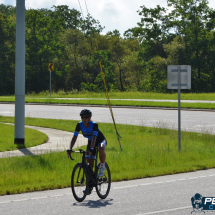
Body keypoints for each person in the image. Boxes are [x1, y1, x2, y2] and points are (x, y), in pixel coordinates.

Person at [68, 109, 107, 177]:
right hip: (91, 141)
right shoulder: (79, 125)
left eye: (86, 117)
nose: (84, 119)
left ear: (89, 118)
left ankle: (102, 166)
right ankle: (90, 180)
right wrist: (70, 148)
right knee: (90, 161)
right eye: (82, 117)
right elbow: (74, 137)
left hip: (100, 140)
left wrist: (91, 148)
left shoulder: (94, 125)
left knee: (100, 149)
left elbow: (94, 137)